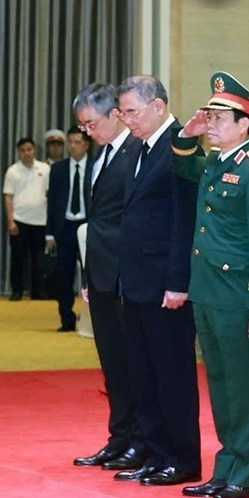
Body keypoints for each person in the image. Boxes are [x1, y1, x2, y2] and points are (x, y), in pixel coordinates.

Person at [173, 71, 249, 498]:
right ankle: (225, 468)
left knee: (242, 386)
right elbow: (181, 162)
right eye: (210, 114)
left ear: (244, 125)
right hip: (207, 290)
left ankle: (246, 474)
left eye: (221, 116)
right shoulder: (217, 162)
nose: (212, 121)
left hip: (237, 295)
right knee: (219, 384)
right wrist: (188, 132)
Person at [113, 74, 203, 489]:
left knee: (171, 375)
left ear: (158, 107)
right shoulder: (138, 147)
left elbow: (184, 221)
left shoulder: (179, 146)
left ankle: (181, 457)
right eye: (123, 111)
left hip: (166, 283)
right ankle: (154, 452)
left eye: (131, 111)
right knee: (143, 373)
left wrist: (178, 281)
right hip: (137, 280)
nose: (125, 118)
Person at [69, 83, 144, 473]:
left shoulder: (135, 153)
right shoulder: (102, 155)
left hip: (125, 276)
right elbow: (95, 222)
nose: (86, 132)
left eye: (90, 123)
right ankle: (119, 436)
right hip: (100, 273)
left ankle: (138, 439)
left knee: (132, 363)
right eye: (82, 125)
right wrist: (88, 272)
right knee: (112, 363)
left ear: (115, 114)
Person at [46, 128, 91, 332]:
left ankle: (92, 318)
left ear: (86, 144)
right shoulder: (58, 169)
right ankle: (66, 317)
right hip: (65, 228)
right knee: (64, 274)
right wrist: (49, 233)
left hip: (89, 226)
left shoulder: (96, 166)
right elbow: (52, 203)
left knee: (91, 273)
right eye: (70, 142)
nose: (73, 146)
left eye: (77, 142)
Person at [2, 137, 50, 301]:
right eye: (22, 150)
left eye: (29, 149)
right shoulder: (12, 171)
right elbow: (8, 197)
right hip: (19, 220)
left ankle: (38, 291)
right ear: (18, 152)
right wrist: (10, 221)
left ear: (34, 150)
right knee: (18, 259)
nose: (26, 153)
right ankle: (17, 290)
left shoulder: (45, 169)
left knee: (38, 259)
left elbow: (49, 195)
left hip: (40, 221)